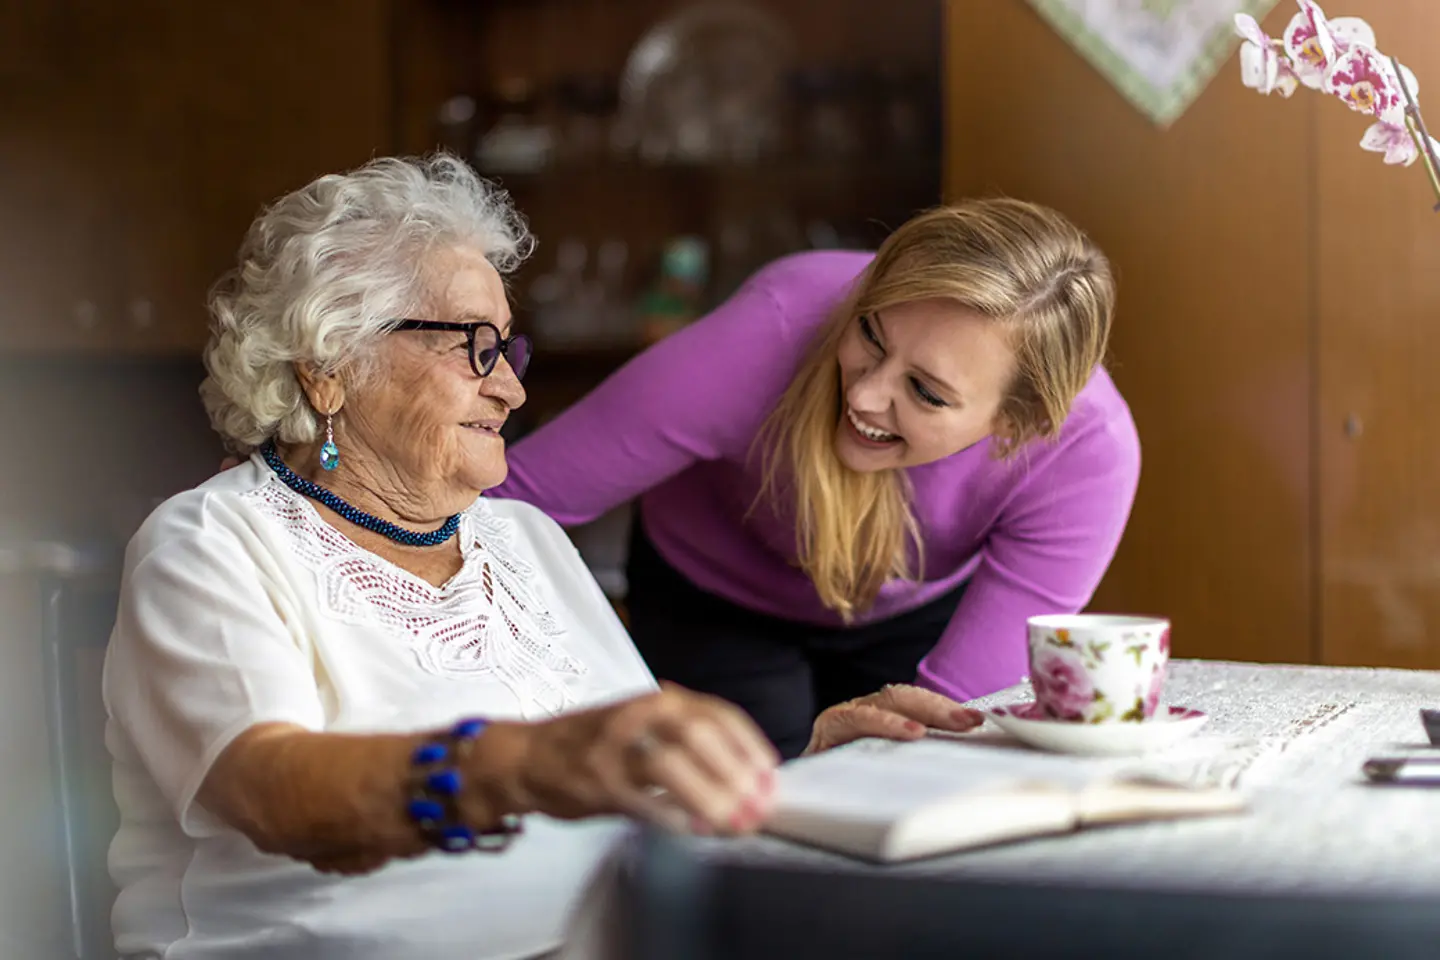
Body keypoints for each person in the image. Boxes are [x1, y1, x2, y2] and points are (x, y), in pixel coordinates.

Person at [102, 154, 982, 960]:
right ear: (329, 366)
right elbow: (273, 790)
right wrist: (522, 763)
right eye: (472, 346)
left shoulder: (519, 538)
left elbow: (634, 790)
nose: (512, 387)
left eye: (508, 348)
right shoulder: (213, 544)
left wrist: (797, 772)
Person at [489, 199, 1141, 759]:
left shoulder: (1087, 454)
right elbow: (506, 501)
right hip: (715, 593)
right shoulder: (771, 329)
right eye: (871, 334)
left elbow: (951, 730)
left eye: (924, 391)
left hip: (913, 610)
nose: (865, 396)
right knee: (740, 814)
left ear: (1017, 424)